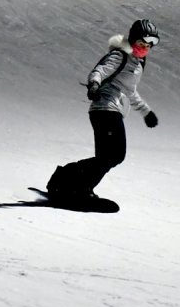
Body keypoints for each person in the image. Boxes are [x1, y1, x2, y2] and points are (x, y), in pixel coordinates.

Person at [46, 19, 160, 202]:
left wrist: (146, 112)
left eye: (148, 46)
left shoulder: (137, 64)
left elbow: (129, 91)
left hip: (114, 109)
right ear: (132, 40)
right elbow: (99, 70)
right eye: (141, 43)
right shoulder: (120, 55)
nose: (144, 48)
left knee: (110, 157)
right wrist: (94, 84)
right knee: (112, 155)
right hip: (104, 108)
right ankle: (77, 186)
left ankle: (67, 182)